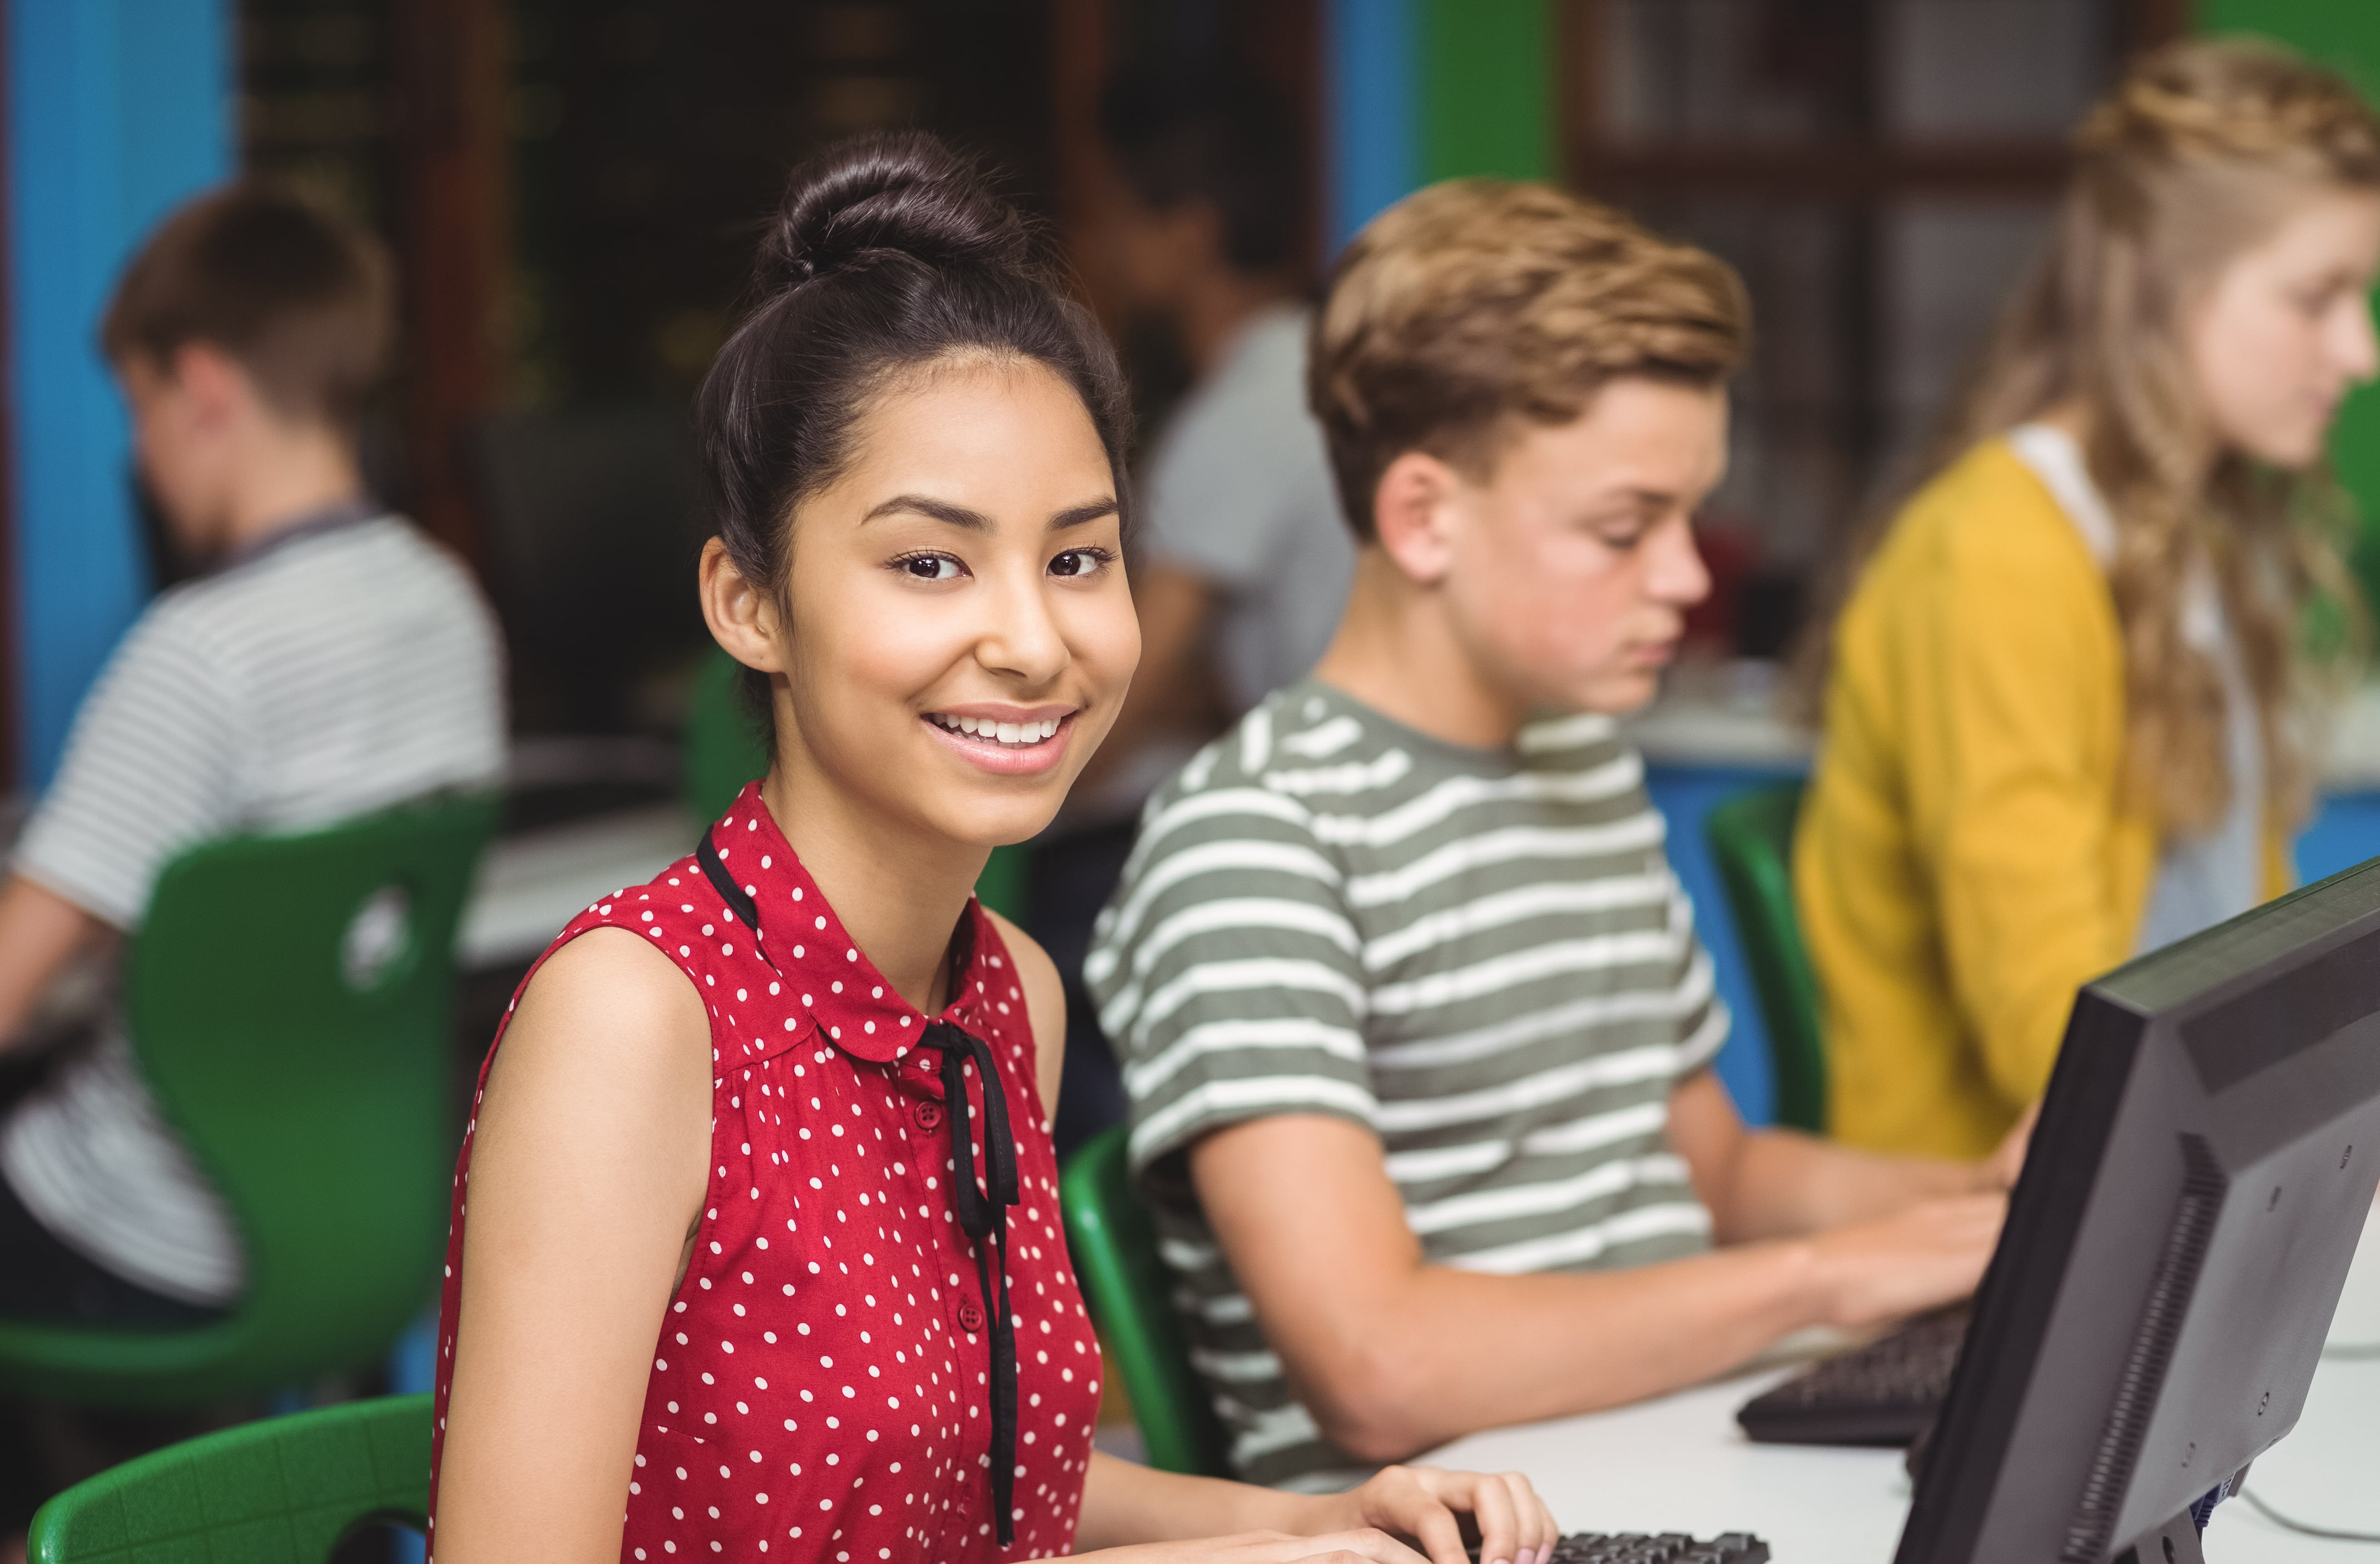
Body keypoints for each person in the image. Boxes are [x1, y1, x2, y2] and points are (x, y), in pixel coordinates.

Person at [429, 134, 1555, 1564]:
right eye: (929, 562)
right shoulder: (635, 1019)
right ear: (749, 603)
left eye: (1078, 558)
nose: (1033, 644)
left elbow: (988, 1495)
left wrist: (1328, 1516)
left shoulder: (1003, 989)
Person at [1086, 178, 2012, 1492]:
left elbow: (1722, 1174)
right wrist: (1829, 1278)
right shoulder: (1253, 845)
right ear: (1422, 518)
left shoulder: (1577, 761)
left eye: (1687, 518)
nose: (1688, 578)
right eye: (1624, 529)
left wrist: (1994, 1206)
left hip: (1671, 1448)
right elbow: (1375, 1368)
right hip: (1481, 1515)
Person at [1792, 38, 2380, 1208]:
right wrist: (2372, 1143)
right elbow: (2066, 1047)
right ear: (2161, 285)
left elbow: (2233, 974)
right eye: (2316, 298)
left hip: (2173, 1201)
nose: (2361, 352)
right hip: (2004, 1251)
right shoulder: (1994, 555)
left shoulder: (2175, 546)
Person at [0, 182, 505, 1326]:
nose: (144, 460)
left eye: (139, 413)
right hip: (367, 1212)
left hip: (139, 1238)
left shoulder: (202, 654)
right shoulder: (445, 604)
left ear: (203, 390)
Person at [1032, 67, 1355, 1155]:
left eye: (1121, 216)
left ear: (1190, 231)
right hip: (1347, 812)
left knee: (1056, 897)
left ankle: (1103, 1251)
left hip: (1321, 841)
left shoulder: (1242, 418)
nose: (1105, 246)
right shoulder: (1324, 372)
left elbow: (1130, 677)